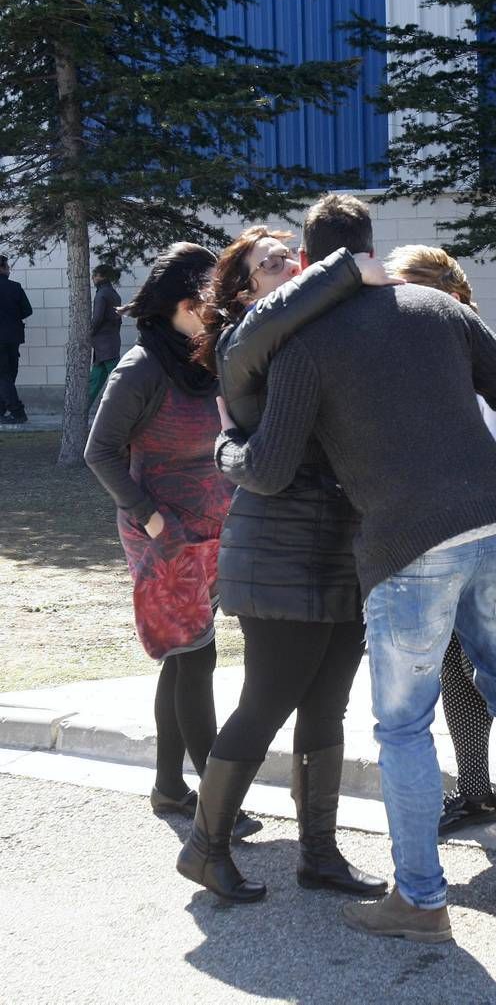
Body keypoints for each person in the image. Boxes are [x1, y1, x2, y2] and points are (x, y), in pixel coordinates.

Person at [205, 194, 496, 941]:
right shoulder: (440, 306)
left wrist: (224, 448)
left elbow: (267, 470)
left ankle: (422, 901)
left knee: (404, 727)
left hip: (407, 541)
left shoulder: (306, 341)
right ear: (372, 245)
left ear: (313, 261)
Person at [176, 216, 389, 904]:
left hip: (338, 548)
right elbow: (267, 467)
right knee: (266, 701)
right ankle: (205, 846)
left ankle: (319, 854)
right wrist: (351, 265)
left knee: (327, 705)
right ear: (241, 294)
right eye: (271, 266)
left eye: (289, 261)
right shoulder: (246, 343)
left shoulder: (310, 340)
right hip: (277, 553)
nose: (289, 273)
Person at [85, 243, 258, 840]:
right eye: (212, 304)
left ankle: (168, 787)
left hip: (211, 532)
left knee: (184, 661)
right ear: (185, 306)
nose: (222, 313)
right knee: (196, 658)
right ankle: (216, 805)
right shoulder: (141, 368)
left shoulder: (203, 357)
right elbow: (99, 451)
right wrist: (152, 520)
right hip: (163, 537)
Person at [383, 243, 496, 836]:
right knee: (475, 677)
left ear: (452, 300)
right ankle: (492, 800)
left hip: (492, 546)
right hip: (484, 541)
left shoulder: (490, 365)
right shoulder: (461, 366)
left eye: (410, 297)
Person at [0, 254, 33, 424]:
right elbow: (27, 311)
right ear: (3, 268)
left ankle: (15, 411)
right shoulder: (15, 287)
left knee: (3, 376)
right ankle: (12, 410)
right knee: (9, 374)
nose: (9, 269)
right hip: (13, 336)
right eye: (7, 266)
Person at [89, 264, 122, 405]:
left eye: (95, 275)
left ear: (101, 276)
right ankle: (82, 408)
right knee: (95, 379)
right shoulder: (113, 293)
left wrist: (89, 334)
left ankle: (127, 408)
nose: (93, 278)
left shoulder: (101, 294)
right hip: (110, 340)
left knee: (119, 380)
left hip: (103, 342)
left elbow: (97, 319)